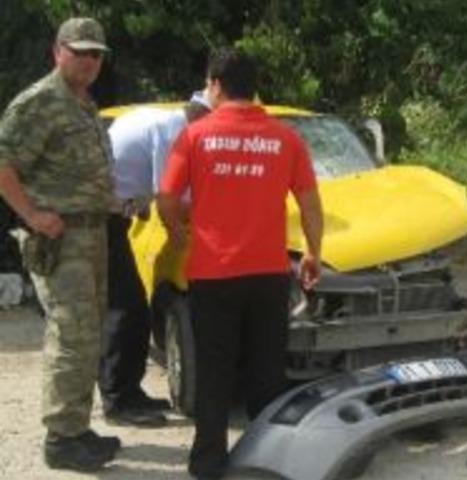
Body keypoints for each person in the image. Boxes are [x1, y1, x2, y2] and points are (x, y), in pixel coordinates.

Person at [158, 47, 324, 479]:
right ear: (256, 87)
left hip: (212, 273)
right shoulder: (286, 138)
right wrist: (313, 253)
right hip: (268, 273)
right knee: (267, 370)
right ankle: (265, 461)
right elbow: (310, 204)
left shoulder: (195, 136)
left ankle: (208, 463)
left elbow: (167, 198)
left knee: (214, 371)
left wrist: (178, 232)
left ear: (215, 84)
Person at [0, 17, 121, 471]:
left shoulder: (83, 103)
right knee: (72, 335)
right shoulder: (39, 103)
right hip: (61, 238)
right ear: (58, 51)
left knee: (88, 335)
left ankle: (76, 427)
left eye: (96, 54)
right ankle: (61, 439)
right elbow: (4, 165)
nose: (89, 61)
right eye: (80, 51)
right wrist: (31, 215)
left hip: (91, 234)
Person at [99, 94, 211, 427]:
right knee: (126, 306)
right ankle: (119, 400)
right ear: (202, 120)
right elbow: (170, 196)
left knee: (129, 305)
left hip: (115, 213)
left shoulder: (167, 120)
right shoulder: (174, 131)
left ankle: (128, 393)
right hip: (101, 218)